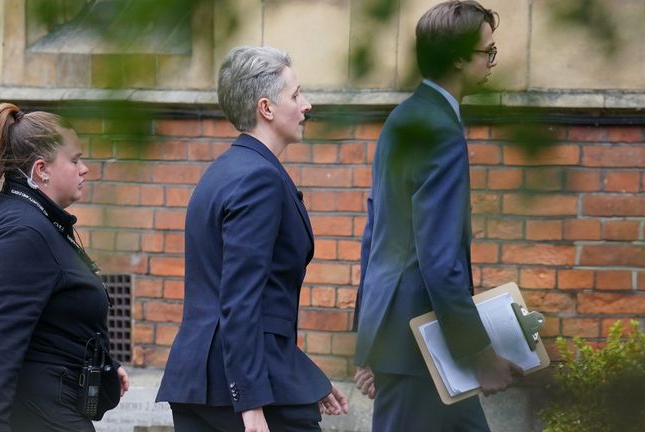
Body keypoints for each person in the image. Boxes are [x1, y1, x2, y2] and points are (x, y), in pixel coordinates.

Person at [156, 45, 349, 432]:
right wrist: (251, 404)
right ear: (266, 108)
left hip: (202, 381)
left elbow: (247, 304)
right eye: (296, 95)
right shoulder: (259, 178)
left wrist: (302, 372)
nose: (307, 105)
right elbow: (240, 298)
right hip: (242, 391)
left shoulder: (222, 171)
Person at [353, 1, 522, 431]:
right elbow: (440, 260)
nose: (491, 62)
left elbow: (376, 237)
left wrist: (371, 344)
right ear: (459, 57)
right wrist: (480, 356)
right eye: (488, 52)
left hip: (407, 343)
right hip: (422, 351)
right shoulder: (439, 130)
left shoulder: (404, 119)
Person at [0, 103, 130, 432]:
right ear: (41, 169)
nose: (84, 169)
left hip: (35, 402)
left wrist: (101, 362)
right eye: (74, 160)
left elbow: (50, 315)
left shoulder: (31, 217)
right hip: (26, 410)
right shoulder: (23, 233)